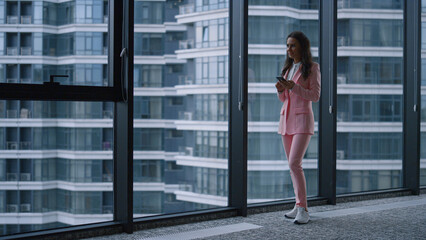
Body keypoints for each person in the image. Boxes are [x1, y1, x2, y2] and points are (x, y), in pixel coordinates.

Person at [275, 31, 321, 224]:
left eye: (293, 45)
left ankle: (303, 209)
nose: (289, 49)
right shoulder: (287, 69)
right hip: (286, 121)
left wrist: (294, 87)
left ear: (302, 46)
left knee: (295, 163)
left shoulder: (312, 68)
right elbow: (285, 99)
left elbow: (315, 96)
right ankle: (298, 204)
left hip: (302, 121)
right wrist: (281, 91)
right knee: (292, 166)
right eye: (287, 46)